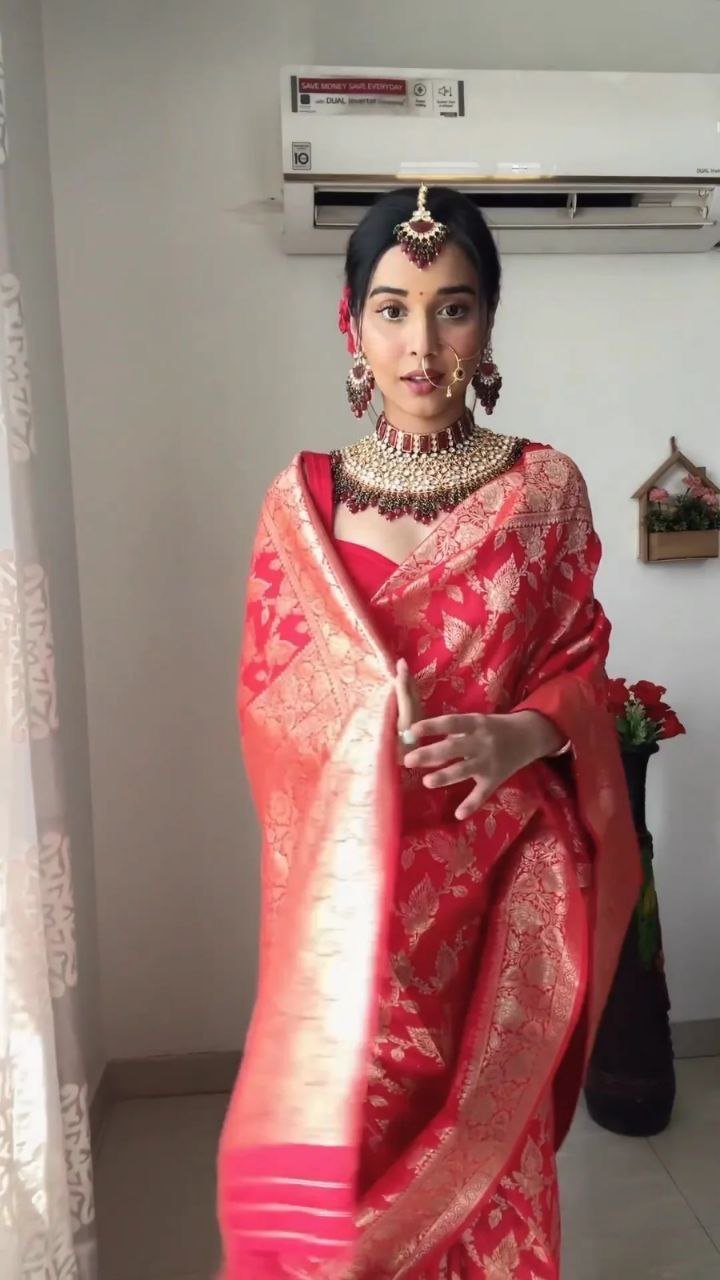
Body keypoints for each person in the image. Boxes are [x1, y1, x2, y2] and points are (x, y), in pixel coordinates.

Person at [217, 186, 640, 1279]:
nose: (421, 343)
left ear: (488, 321)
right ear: (351, 323)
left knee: (488, 1172)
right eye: (393, 308)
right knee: (349, 1164)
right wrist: (358, 730)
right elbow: (268, 703)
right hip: (353, 909)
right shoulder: (302, 502)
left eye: (452, 308)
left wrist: (521, 735)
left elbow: (581, 666)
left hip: (500, 887)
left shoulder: (543, 489)